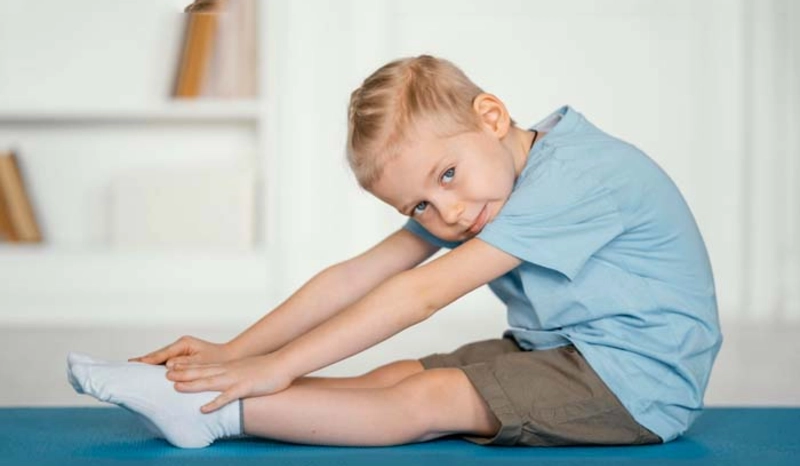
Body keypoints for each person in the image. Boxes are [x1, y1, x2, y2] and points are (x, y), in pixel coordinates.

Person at [68, 55, 722, 449]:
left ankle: (213, 413)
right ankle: (215, 391)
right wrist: (239, 353)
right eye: (420, 207)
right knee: (398, 374)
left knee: (431, 398)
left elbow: (421, 292)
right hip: (566, 352)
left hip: (638, 386)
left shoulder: (572, 177)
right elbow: (359, 275)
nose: (449, 215)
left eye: (446, 177)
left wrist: (276, 367)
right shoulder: (485, 179)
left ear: (491, 118)